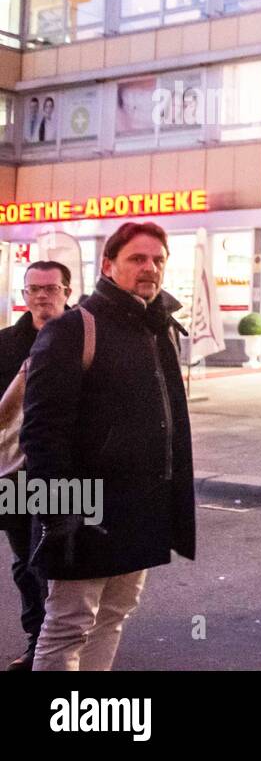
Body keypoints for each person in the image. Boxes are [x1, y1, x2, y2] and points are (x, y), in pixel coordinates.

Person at [22, 221, 195, 671]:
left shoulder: (156, 328)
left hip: (138, 505)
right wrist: (59, 515)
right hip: (84, 508)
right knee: (68, 624)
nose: (150, 268)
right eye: (137, 258)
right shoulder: (74, 329)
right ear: (108, 265)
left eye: (158, 260)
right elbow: (41, 434)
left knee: (114, 617)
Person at [0, 260, 72, 670]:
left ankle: (66, 639)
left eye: (51, 288)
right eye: (34, 289)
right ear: (24, 295)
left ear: (67, 292)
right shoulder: (6, 343)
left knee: (66, 561)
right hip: (14, 473)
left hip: (66, 472)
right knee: (25, 562)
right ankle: (36, 642)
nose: (42, 296)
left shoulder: (81, 339)